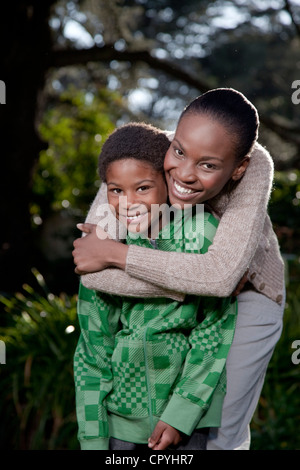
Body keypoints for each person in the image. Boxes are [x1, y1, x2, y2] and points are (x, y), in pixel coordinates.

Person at [73, 88, 285, 450]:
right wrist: (190, 285)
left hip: (249, 295)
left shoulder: (256, 168)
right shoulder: (142, 151)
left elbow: (221, 278)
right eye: (180, 151)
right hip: (181, 298)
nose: (183, 174)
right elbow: (91, 268)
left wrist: (116, 255)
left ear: (237, 168)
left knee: (219, 431)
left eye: (208, 165)